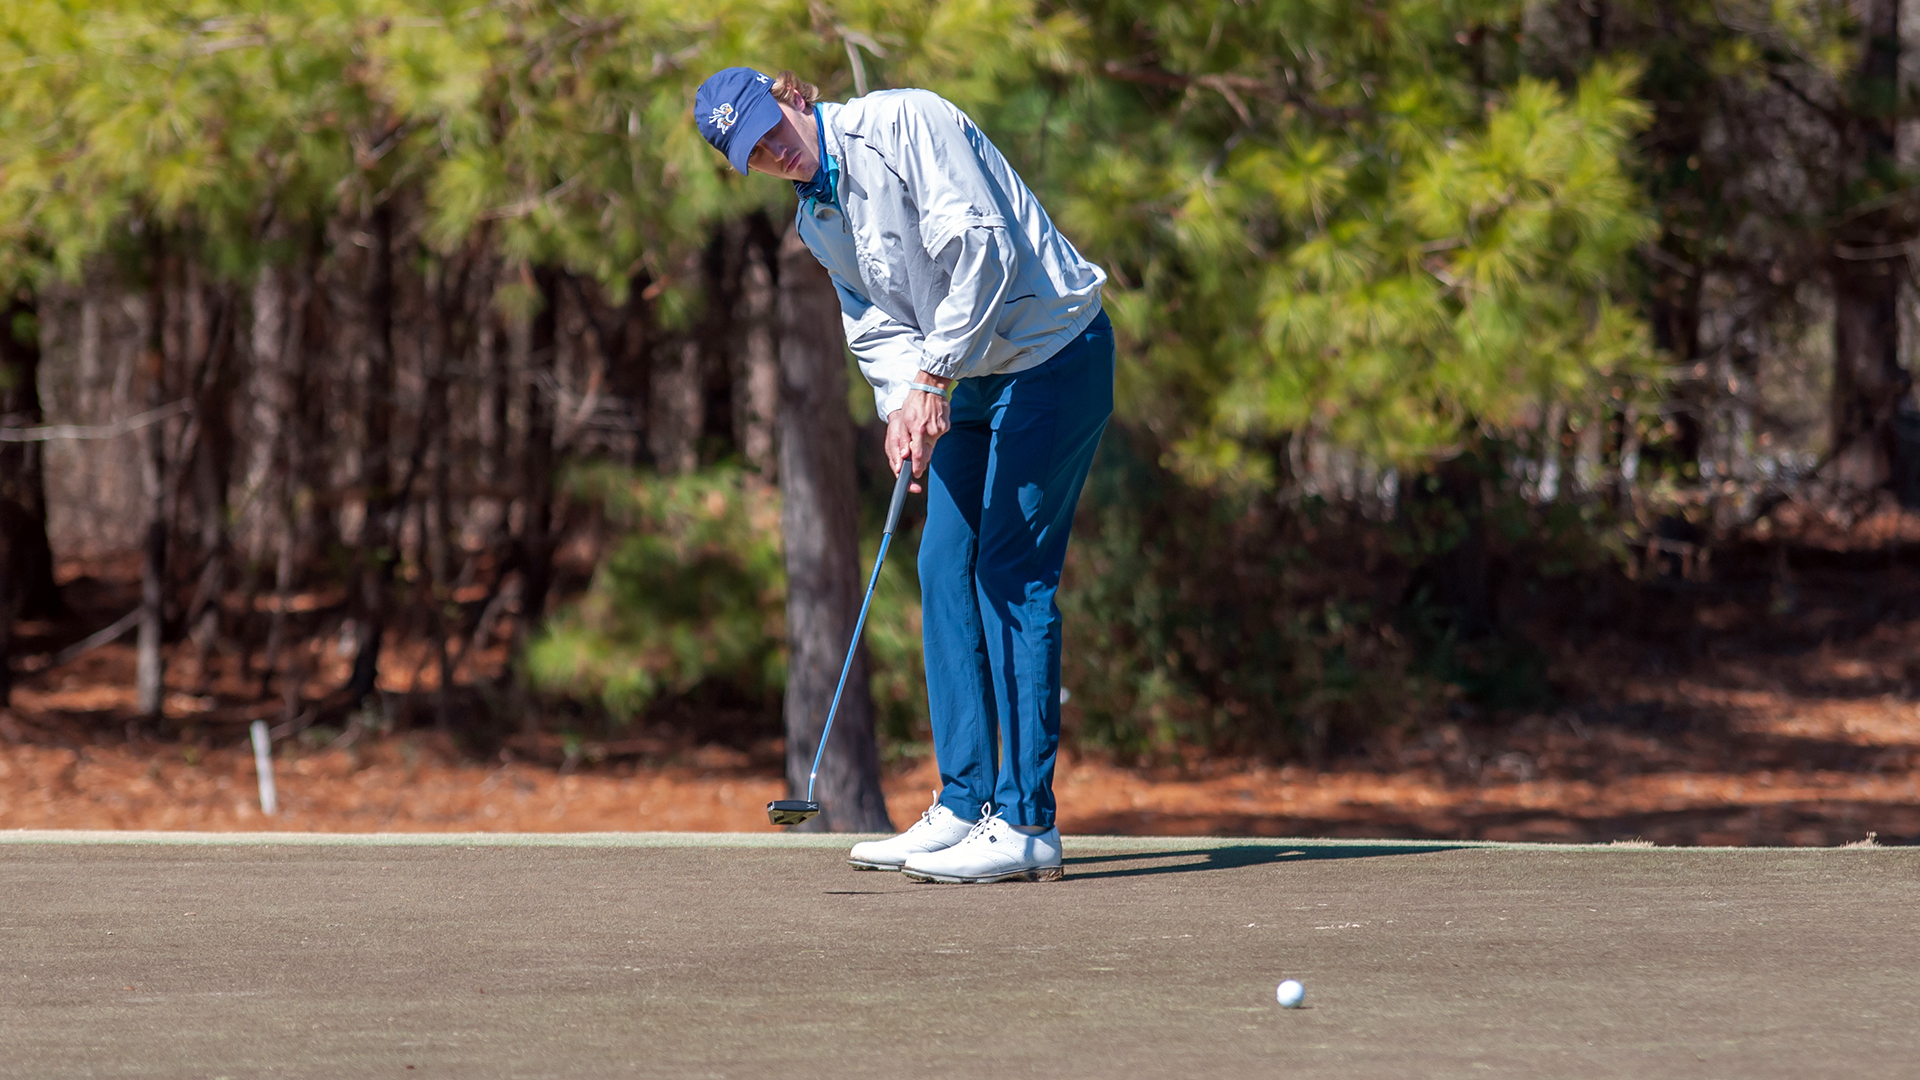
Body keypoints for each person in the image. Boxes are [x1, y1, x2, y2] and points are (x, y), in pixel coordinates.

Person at [695, 67, 1112, 883]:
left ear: (792, 95)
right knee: (941, 564)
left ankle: (1027, 823)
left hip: (1052, 355)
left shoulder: (905, 124)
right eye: (755, 153)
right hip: (967, 376)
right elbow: (875, 320)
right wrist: (900, 406)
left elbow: (982, 250)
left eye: (770, 126)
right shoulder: (817, 217)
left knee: (1010, 575)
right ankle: (963, 805)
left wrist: (933, 380)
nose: (775, 151)